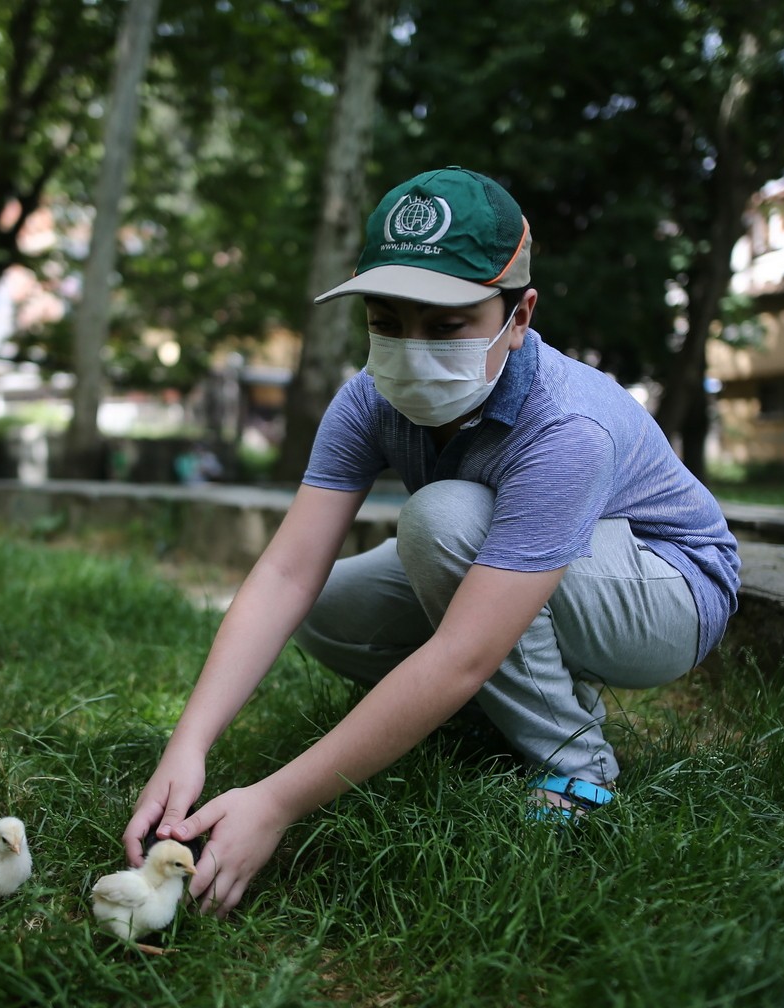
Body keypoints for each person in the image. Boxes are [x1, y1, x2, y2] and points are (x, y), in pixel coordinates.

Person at [121, 166, 741, 916]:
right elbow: (288, 574)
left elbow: (462, 653)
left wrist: (276, 801)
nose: (412, 350)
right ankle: (498, 704)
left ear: (520, 316)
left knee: (440, 521)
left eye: (447, 326)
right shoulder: (367, 399)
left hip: (668, 587)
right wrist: (189, 742)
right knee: (325, 609)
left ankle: (576, 762)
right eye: (387, 319)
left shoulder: (567, 425)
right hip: (533, 564)